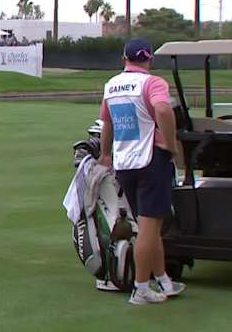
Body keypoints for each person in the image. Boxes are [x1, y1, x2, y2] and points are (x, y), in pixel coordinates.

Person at [99, 38, 185, 305]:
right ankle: (141, 288)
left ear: (124, 58)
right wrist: (171, 145)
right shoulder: (153, 83)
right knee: (149, 227)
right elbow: (162, 109)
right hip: (151, 161)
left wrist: (105, 153)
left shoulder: (111, 85)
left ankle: (164, 281)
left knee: (150, 225)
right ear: (149, 59)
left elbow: (107, 123)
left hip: (125, 163)